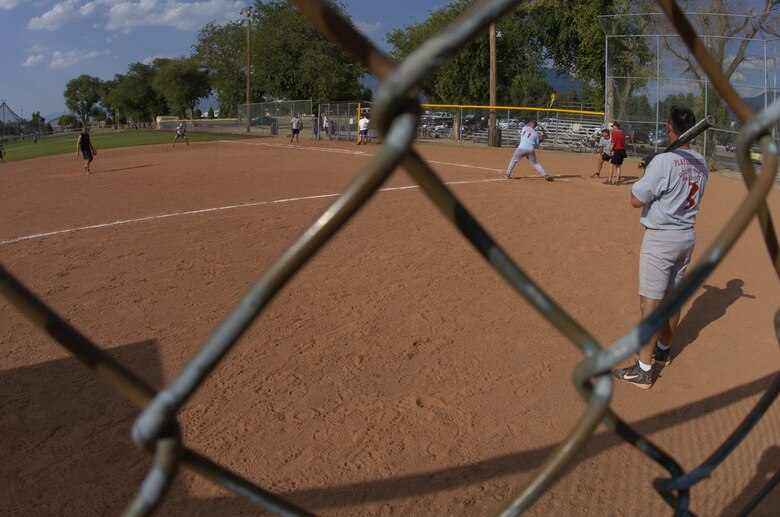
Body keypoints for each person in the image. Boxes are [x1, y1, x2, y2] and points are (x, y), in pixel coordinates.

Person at [613, 106, 708, 389]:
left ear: (669, 128)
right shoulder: (701, 161)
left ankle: (643, 370)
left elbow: (635, 200)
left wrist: (647, 173)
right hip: (686, 237)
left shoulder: (664, 161)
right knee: (672, 298)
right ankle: (663, 350)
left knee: (650, 304)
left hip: (661, 238)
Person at [605, 121, 626, 185]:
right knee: (618, 166)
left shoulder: (615, 133)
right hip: (622, 151)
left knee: (611, 165)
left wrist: (610, 150)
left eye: (613, 126)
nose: (612, 128)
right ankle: (617, 181)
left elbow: (613, 143)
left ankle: (609, 180)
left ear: (616, 126)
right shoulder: (622, 134)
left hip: (617, 150)